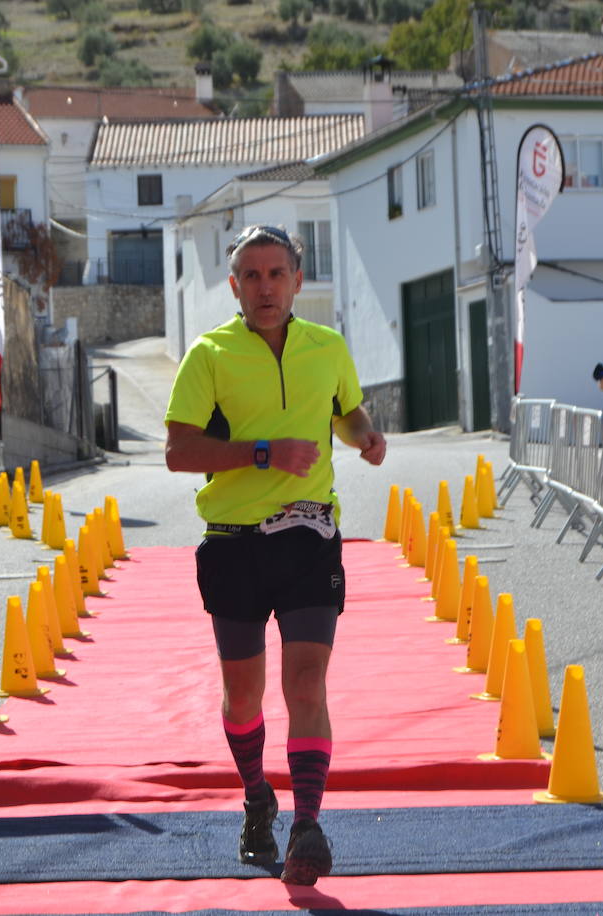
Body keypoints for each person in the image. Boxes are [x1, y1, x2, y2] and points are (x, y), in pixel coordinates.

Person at [164, 225, 387, 887]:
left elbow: (346, 410)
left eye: (276, 274)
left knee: (307, 684)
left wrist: (364, 436)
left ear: (297, 280)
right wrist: (263, 453)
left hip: (310, 535)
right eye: (252, 276)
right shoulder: (208, 355)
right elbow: (179, 452)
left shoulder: (329, 347)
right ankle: (258, 793)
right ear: (234, 285)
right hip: (232, 543)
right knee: (243, 698)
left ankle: (307, 823)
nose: (265, 287)